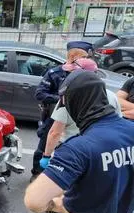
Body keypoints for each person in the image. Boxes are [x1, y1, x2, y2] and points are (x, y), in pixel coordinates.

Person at [24, 70, 134, 213]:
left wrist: (59, 204)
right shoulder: (130, 132)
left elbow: (34, 202)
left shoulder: (78, 147)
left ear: (75, 103)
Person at [40, 58, 122, 168]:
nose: (69, 76)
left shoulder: (69, 98)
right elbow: (117, 126)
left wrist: (46, 156)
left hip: (72, 153)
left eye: (73, 73)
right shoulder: (112, 96)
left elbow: (55, 132)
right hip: (103, 154)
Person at [31, 41, 92, 179]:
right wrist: (62, 99)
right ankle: (37, 173)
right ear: (74, 56)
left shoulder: (86, 72)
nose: (88, 60)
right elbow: (40, 94)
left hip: (78, 117)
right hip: (54, 116)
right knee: (44, 145)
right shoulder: (55, 73)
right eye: (85, 57)